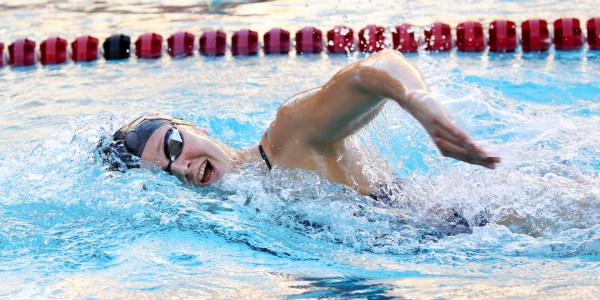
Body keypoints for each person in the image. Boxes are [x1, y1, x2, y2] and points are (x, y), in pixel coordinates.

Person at [100, 49, 500, 198]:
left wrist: (417, 99)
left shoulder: (288, 135)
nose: (181, 168)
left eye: (173, 147)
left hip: (474, 228)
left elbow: (374, 69)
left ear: (194, 127)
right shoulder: (250, 206)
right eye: (165, 174)